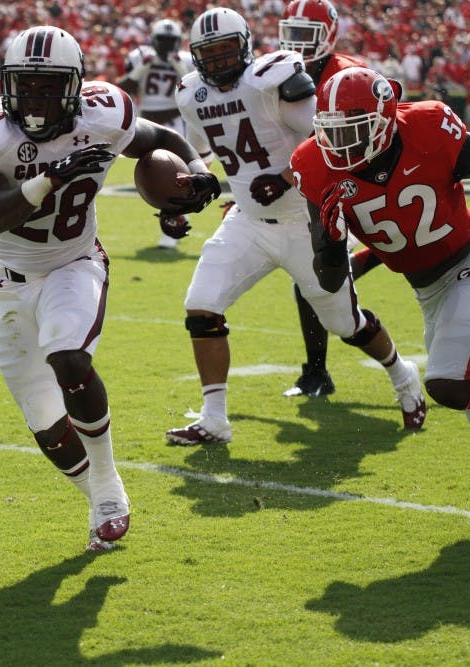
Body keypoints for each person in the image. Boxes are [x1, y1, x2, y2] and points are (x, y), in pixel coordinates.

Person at [0, 26, 219, 550]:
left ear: (74, 86)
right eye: (25, 85)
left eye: (49, 86)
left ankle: (108, 481)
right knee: (47, 426)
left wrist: (194, 174)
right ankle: (96, 493)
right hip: (9, 279)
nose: (35, 99)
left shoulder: (103, 115)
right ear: (6, 83)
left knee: (70, 358)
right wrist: (47, 179)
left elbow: (160, 140)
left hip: (76, 262)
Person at [166, 8, 425, 446]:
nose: (219, 62)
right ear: (195, 57)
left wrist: (286, 176)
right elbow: (202, 150)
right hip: (247, 221)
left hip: (306, 222)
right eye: (209, 54)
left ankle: (402, 375)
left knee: (346, 324)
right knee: (201, 304)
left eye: (227, 50)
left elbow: (328, 136)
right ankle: (214, 419)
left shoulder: (273, 80)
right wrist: (189, 187)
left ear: (245, 46)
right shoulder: (193, 95)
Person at [291, 66, 470, 465]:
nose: (340, 144)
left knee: (448, 385)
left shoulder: (426, 126)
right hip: (430, 293)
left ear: (384, 121)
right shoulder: (314, 165)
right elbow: (330, 279)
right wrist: (334, 243)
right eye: (332, 131)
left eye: (353, 130)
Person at [277, 0, 384, 398]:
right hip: (313, 190)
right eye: (293, 35)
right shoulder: (279, 70)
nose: (298, 45)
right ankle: (317, 371)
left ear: (329, 35)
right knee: (312, 279)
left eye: (307, 35)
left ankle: (325, 370)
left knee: (319, 278)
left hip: (358, 187)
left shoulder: (350, 75)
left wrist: (283, 176)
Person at [118, 18, 196, 250]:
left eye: (171, 41)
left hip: (174, 124)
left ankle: (173, 227)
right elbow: (124, 89)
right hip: (147, 126)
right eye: (162, 40)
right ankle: (173, 221)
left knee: (176, 177)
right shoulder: (139, 56)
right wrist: (144, 67)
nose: (166, 45)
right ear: (153, 39)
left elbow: (192, 93)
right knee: (153, 176)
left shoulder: (186, 61)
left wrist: (178, 67)